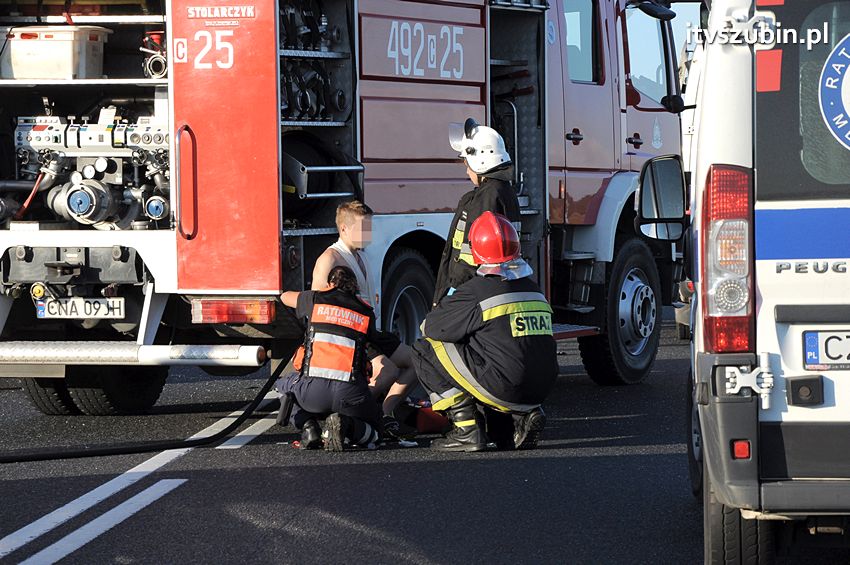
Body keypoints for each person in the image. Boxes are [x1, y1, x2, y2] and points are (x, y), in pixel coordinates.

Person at [413, 212, 559, 452]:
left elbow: (431, 327)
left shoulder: (476, 291)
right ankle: (517, 420)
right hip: (542, 387)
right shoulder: (534, 289)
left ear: (476, 251)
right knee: (496, 348)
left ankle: (466, 429)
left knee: (425, 348)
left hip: (507, 385)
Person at [311, 201, 418, 428]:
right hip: (350, 334)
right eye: (362, 228)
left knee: (418, 362)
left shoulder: (362, 255)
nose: (367, 233)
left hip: (371, 331)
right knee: (387, 371)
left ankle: (383, 414)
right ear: (344, 229)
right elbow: (318, 306)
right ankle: (347, 410)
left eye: (369, 227)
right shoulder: (330, 259)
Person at [279, 265, 384, 451]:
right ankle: (348, 425)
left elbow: (284, 297)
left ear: (330, 283)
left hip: (311, 393)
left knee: (283, 384)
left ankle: (308, 427)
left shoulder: (314, 299)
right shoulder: (366, 312)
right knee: (376, 432)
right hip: (350, 396)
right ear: (355, 287)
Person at [433, 118, 521, 305]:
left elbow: (470, 254)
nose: (467, 172)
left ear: (480, 159)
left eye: (467, 165)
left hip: (470, 291)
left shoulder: (485, 198)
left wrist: (453, 296)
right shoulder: (505, 192)